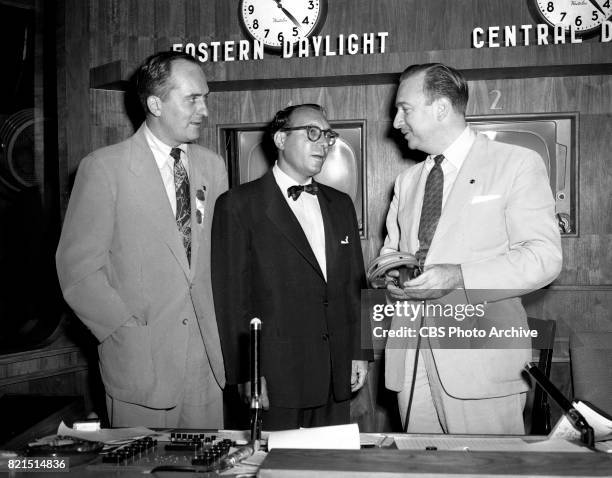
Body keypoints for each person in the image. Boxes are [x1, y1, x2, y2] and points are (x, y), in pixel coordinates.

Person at [381, 63, 562, 434]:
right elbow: (392, 254)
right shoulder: (406, 180)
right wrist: (393, 276)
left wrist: (459, 277)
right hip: (411, 361)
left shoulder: (517, 164)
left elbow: (544, 258)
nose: (396, 121)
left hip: (481, 366)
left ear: (441, 108)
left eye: (405, 109)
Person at [56, 51, 227, 428]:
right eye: (193, 99)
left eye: (206, 98)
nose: (204, 110)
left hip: (206, 366)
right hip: (140, 365)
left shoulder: (213, 168)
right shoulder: (103, 168)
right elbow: (78, 272)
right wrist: (123, 331)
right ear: (155, 104)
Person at [212, 104, 371, 430]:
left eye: (328, 135)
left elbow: (356, 286)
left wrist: (360, 352)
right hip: (276, 379)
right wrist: (247, 373)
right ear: (281, 138)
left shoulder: (341, 204)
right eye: (312, 133)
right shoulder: (238, 205)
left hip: (335, 375)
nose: (324, 143)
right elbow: (232, 301)